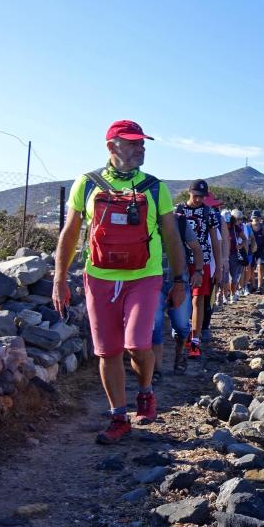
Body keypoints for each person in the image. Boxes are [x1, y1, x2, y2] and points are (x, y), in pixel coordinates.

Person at [53, 120, 188, 445]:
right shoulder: (86, 184)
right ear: (112, 146)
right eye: (132, 143)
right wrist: (59, 278)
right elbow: (70, 234)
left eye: (142, 143)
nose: (140, 148)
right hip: (99, 278)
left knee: (138, 345)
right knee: (107, 351)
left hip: (144, 276)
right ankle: (118, 416)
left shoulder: (156, 187)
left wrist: (180, 279)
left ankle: (146, 392)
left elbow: (171, 236)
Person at [175, 180, 227, 359]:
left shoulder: (209, 213)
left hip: (202, 262)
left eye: (201, 196)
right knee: (181, 300)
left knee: (199, 299)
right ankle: (184, 333)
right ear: (189, 193)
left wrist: (218, 267)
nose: (198, 199)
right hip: (180, 262)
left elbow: (215, 242)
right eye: (195, 195)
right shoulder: (178, 211)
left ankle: (195, 341)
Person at [152, 208, 203, 379]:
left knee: (181, 325)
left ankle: (180, 351)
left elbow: (196, 248)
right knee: (155, 326)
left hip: (179, 281)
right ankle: (156, 369)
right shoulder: (145, 219)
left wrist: (198, 271)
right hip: (153, 282)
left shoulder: (179, 221)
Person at [249, 210, 264, 291]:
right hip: (250, 250)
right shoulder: (248, 226)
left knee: (260, 267)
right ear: (252, 218)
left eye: (258, 218)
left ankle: (259, 287)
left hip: (260, 250)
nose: (256, 219)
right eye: (254, 218)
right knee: (251, 268)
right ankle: (253, 285)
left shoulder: (263, 227)